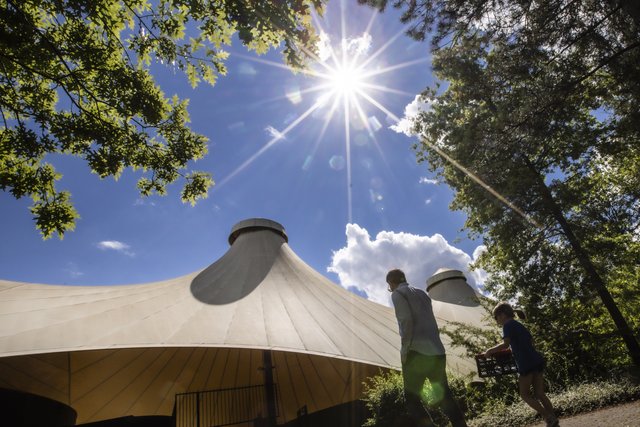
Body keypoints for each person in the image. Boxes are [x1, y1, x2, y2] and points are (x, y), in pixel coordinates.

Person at [386, 268, 468, 427]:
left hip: (416, 353)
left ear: (391, 283)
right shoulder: (422, 293)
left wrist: (404, 350)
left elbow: (406, 322)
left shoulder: (398, 294)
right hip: (437, 350)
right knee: (445, 395)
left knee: (412, 399)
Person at [484, 302, 559, 427]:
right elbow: (530, 342)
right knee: (540, 393)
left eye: (496, 317)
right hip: (536, 359)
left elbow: (505, 344)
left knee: (524, 395)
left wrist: (490, 351)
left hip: (525, 363)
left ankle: (548, 417)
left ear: (502, 315)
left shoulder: (507, 325)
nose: (496, 321)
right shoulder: (519, 325)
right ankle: (553, 419)